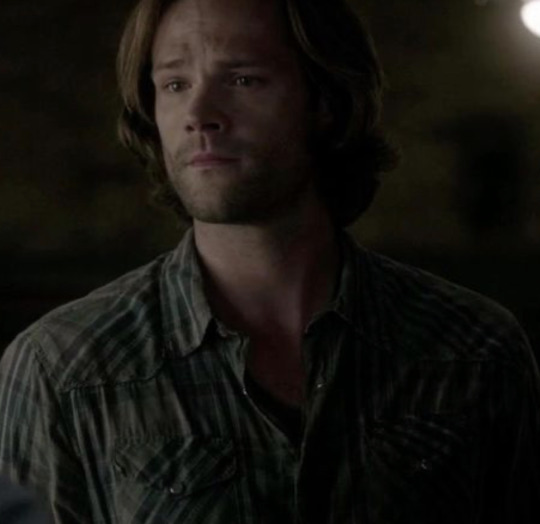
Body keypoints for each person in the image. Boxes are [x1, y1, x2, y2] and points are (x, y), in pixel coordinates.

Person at [0, 0, 539, 522]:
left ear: (325, 102)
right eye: (175, 84)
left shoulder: (471, 349)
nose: (199, 116)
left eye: (243, 79)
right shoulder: (65, 368)